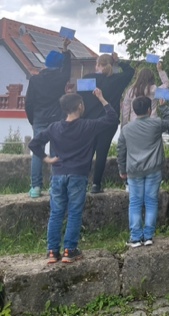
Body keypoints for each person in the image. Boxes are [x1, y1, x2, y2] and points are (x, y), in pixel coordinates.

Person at [29, 89, 118, 263]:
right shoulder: (88, 125)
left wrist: (47, 159)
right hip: (78, 174)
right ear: (80, 106)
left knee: (56, 213)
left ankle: (52, 251)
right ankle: (70, 250)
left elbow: (34, 144)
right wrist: (101, 98)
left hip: (58, 174)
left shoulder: (54, 127)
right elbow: (112, 118)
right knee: (75, 212)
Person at [117, 96, 169, 248]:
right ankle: (148, 235)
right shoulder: (156, 124)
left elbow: (121, 151)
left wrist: (122, 170)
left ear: (134, 111)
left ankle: (135, 237)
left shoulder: (126, 129)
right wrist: (163, 107)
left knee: (135, 202)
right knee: (151, 201)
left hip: (134, 171)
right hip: (153, 169)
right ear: (149, 110)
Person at [79, 53, 135, 194]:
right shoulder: (117, 80)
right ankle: (96, 184)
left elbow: (79, 99)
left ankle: (81, 182)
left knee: (87, 152)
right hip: (109, 121)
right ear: (112, 65)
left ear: (97, 65)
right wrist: (119, 61)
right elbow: (130, 72)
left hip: (89, 121)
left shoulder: (87, 79)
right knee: (102, 153)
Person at [25, 38, 71, 198]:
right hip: (57, 118)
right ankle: (54, 186)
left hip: (39, 118)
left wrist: (33, 119)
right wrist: (65, 51)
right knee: (55, 151)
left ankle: (36, 187)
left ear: (46, 63)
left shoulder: (35, 79)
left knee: (37, 152)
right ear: (58, 66)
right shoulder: (60, 78)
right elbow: (68, 70)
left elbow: (28, 101)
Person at [121, 61, 169, 126]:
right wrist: (160, 70)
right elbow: (167, 84)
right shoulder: (155, 90)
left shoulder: (131, 91)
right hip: (152, 122)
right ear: (152, 78)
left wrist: (124, 125)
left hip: (134, 122)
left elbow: (125, 110)